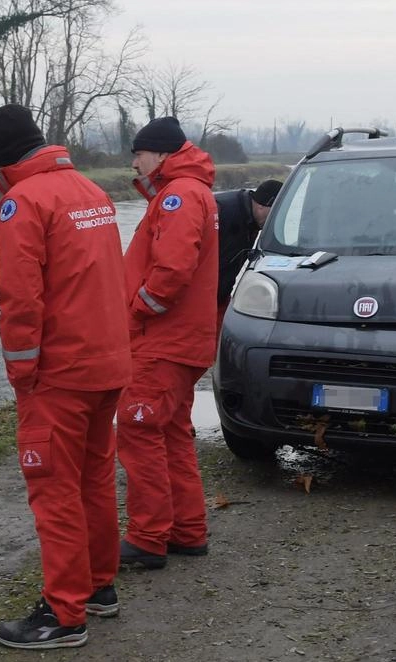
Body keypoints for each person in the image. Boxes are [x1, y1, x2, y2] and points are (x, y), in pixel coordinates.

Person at [0, 104, 132, 650]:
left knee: (54, 490)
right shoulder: (90, 193)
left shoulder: (21, 203)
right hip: (107, 363)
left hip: (60, 373)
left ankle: (63, 614)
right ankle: (98, 587)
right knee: (93, 478)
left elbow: (20, 298)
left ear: (0, 158)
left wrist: (21, 373)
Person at [117, 116, 219, 570]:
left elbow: (172, 270)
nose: (134, 163)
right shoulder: (190, 191)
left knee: (139, 432)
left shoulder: (179, 195)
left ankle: (148, 538)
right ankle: (186, 530)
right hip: (182, 340)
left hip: (163, 342)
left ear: (159, 154)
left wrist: (138, 309)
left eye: (138, 154)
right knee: (172, 433)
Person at [216, 179, 283, 319]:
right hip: (197, 297)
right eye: (275, 215)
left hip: (220, 296)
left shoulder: (253, 220)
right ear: (261, 206)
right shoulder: (222, 209)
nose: (274, 222)